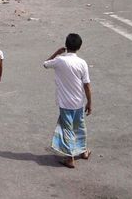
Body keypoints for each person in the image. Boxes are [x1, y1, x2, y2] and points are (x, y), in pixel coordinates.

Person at [43, 33, 92, 168]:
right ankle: (83, 151)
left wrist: (56, 53)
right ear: (79, 47)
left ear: (66, 45)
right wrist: (90, 102)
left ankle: (70, 158)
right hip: (79, 101)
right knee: (80, 126)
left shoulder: (60, 60)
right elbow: (86, 84)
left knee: (67, 129)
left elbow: (45, 64)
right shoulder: (82, 62)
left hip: (65, 103)